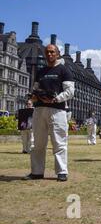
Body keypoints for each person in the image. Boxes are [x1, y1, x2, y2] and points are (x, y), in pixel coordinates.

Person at [24, 44, 74, 182]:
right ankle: (37, 171)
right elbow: (35, 89)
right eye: (47, 52)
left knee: (59, 142)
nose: (49, 54)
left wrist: (56, 98)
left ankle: (62, 171)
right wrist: (34, 97)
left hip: (57, 110)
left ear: (58, 54)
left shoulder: (64, 70)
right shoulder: (40, 72)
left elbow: (70, 92)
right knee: (38, 143)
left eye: (52, 52)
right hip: (39, 109)